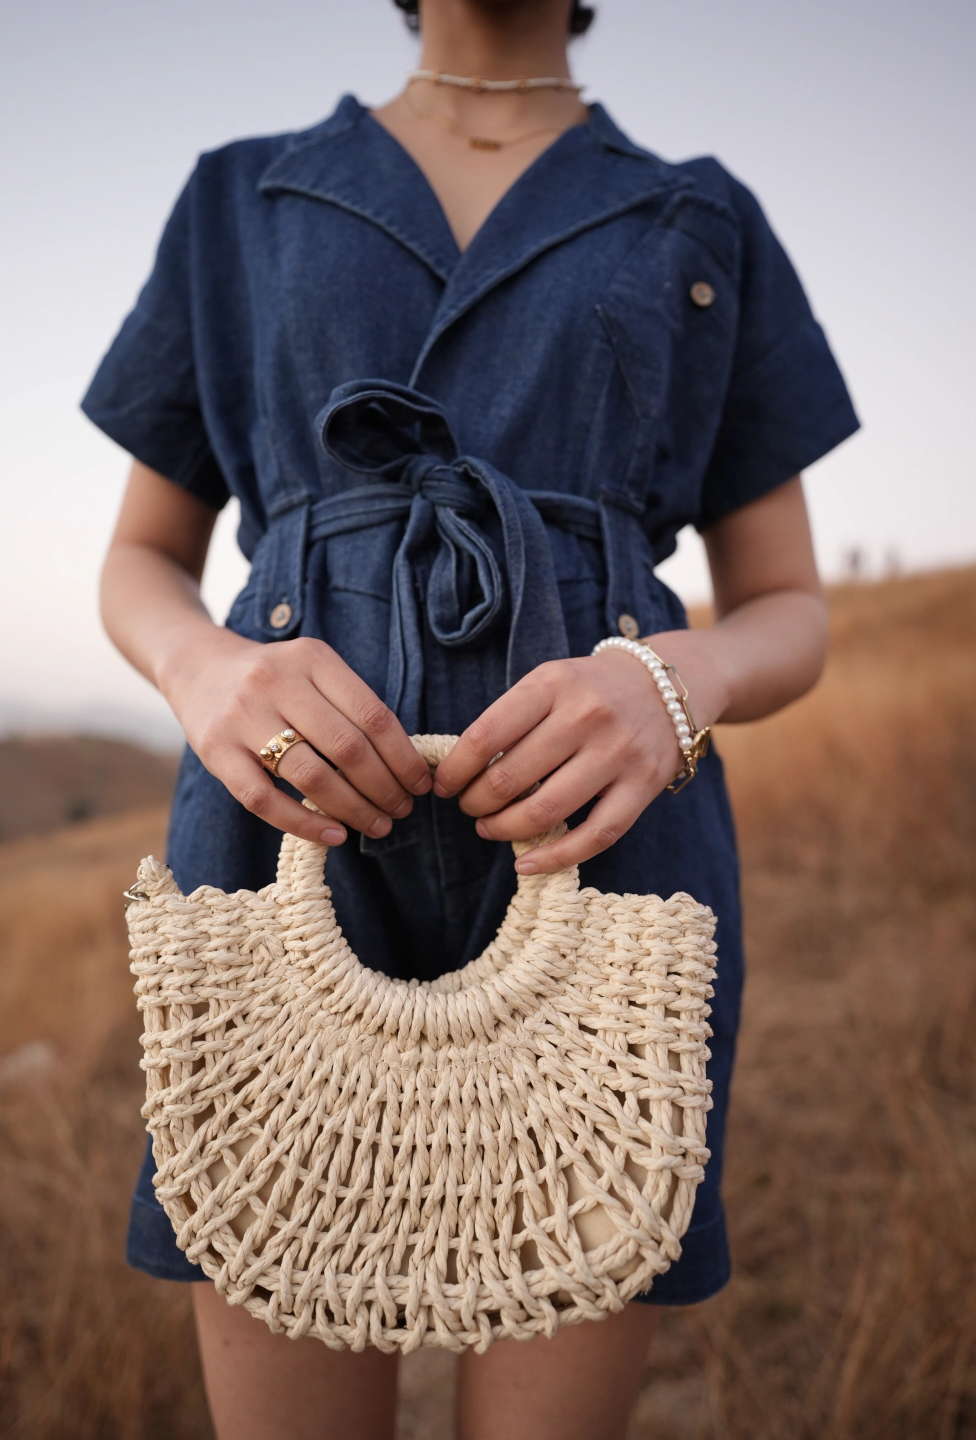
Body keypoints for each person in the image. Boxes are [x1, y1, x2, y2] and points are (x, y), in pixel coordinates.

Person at [83, 1, 858, 1435]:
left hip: (611, 837)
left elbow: (789, 606)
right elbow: (139, 559)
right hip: (278, 821)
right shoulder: (243, 192)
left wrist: (675, 683)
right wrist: (205, 672)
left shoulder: (698, 213)